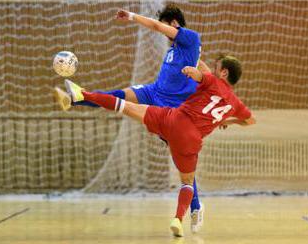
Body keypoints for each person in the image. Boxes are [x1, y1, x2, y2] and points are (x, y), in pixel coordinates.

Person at [58, 53, 256, 237]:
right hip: (191, 140)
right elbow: (250, 121)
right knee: (187, 182)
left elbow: (199, 73)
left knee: (126, 106)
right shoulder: (236, 104)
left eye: (217, 68)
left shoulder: (212, 81)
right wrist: (225, 121)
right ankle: (178, 220)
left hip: (173, 120)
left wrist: (190, 69)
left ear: (224, 72)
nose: (213, 71)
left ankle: (82, 95)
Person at [55, 4, 208, 232]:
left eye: (166, 25)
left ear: (174, 23)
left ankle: (195, 206)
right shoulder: (174, 49)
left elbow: (157, 27)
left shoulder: (190, 38)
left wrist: (132, 17)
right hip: (153, 92)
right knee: (121, 94)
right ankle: (76, 97)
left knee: (182, 165)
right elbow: (204, 71)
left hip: (170, 109)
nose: (162, 30)